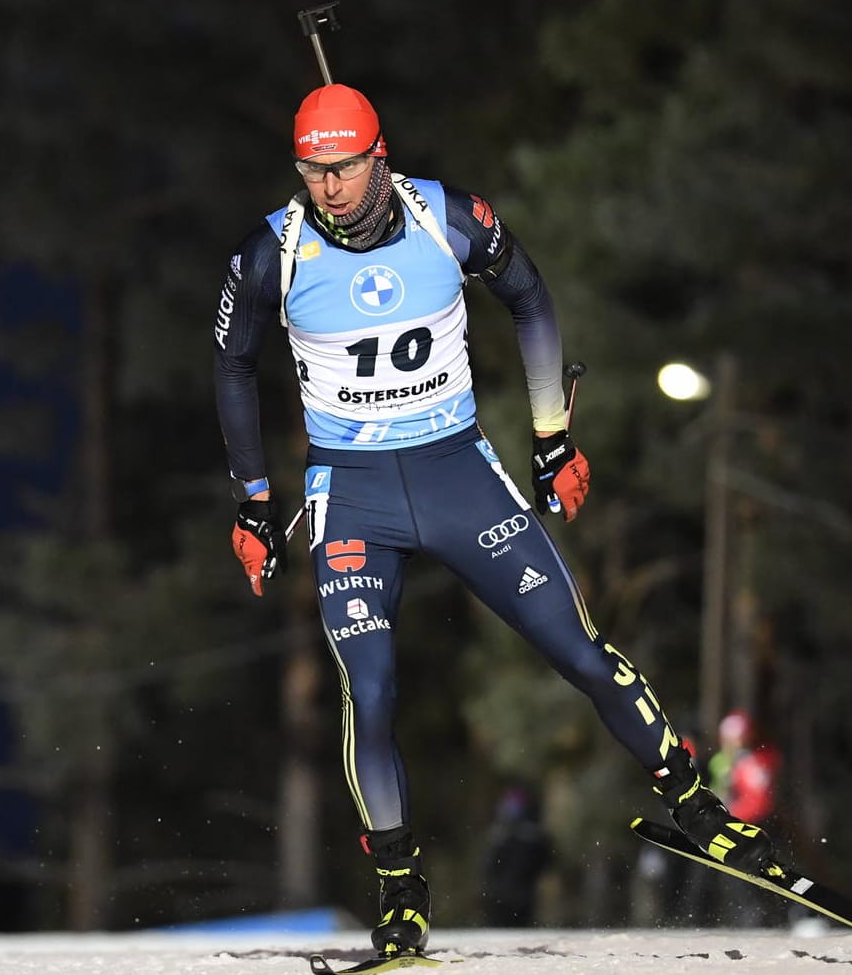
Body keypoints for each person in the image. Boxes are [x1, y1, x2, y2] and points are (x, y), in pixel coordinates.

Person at [212, 83, 773, 958]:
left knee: (577, 648)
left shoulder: (451, 218)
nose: (328, 188)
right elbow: (233, 365)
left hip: (456, 476)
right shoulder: (270, 253)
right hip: (352, 493)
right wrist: (252, 498)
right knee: (373, 690)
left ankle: (697, 806)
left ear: (378, 155)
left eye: (344, 168)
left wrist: (553, 440)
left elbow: (532, 300)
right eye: (312, 170)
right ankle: (401, 888)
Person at [703, 710, 781, 925]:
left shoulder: (756, 759)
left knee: (763, 871)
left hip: (753, 823)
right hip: (734, 824)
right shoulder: (721, 761)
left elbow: (760, 798)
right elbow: (719, 790)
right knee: (736, 876)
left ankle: (771, 915)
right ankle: (747, 916)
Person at [479, 787, 553, 927]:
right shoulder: (501, 835)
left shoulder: (529, 836)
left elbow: (488, 866)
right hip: (506, 897)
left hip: (518, 896)